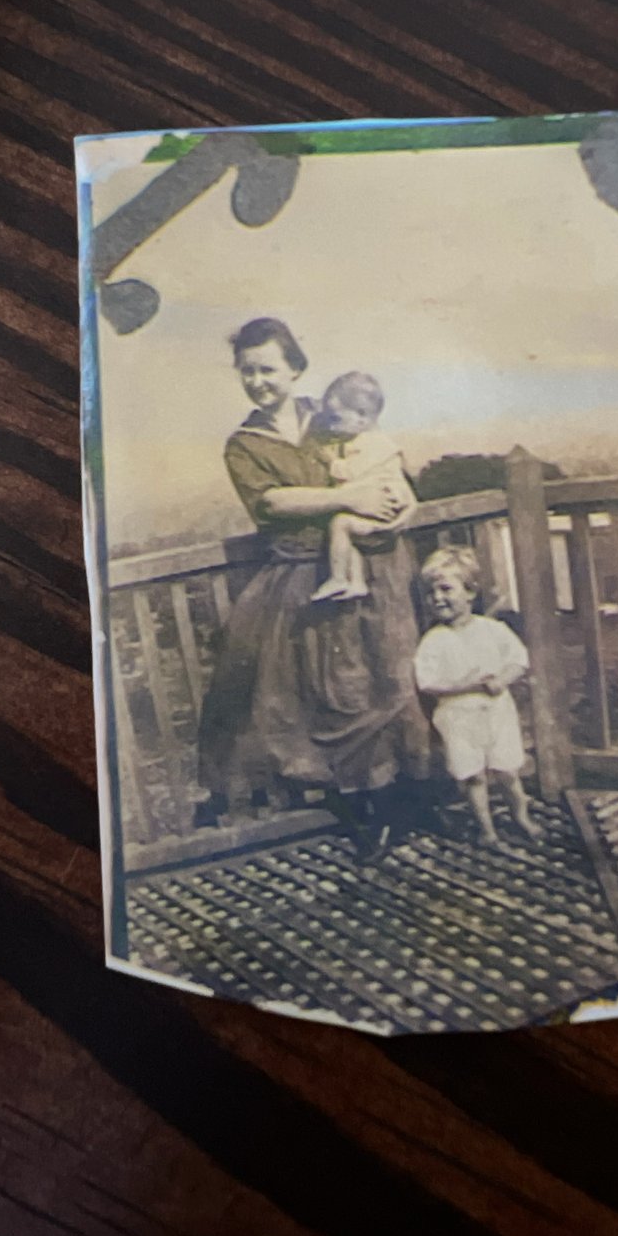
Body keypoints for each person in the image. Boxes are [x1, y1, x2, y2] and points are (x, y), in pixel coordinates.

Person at [193, 317, 433, 861]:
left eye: (269, 368)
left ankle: (412, 800)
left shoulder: (328, 416)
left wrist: (402, 503)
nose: (258, 380)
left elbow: (384, 466)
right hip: (307, 574)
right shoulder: (244, 444)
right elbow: (272, 503)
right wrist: (352, 499)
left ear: (295, 368)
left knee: (390, 676)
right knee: (337, 690)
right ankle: (365, 812)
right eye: (247, 371)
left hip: (374, 566)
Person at [414, 546, 541, 847]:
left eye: (446, 589)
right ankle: (487, 830)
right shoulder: (434, 641)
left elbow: (519, 659)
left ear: (470, 592)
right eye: (431, 593)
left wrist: (503, 679)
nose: (438, 598)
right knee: (474, 777)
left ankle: (521, 818)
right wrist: (465, 684)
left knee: (508, 772)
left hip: (496, 713)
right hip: (458, 718)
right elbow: (427, 683)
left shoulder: (492, 630)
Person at [309, 371, 416, 603]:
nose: (330, 426)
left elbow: (348, 475)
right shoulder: (363, 440)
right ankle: (356, 582)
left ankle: (338, 577)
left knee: (339, 524)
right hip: (379, 511)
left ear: (362, 417)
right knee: (348, 533)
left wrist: (328, 460)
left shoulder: (372, 445)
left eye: (335, 419)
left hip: (386, 512)